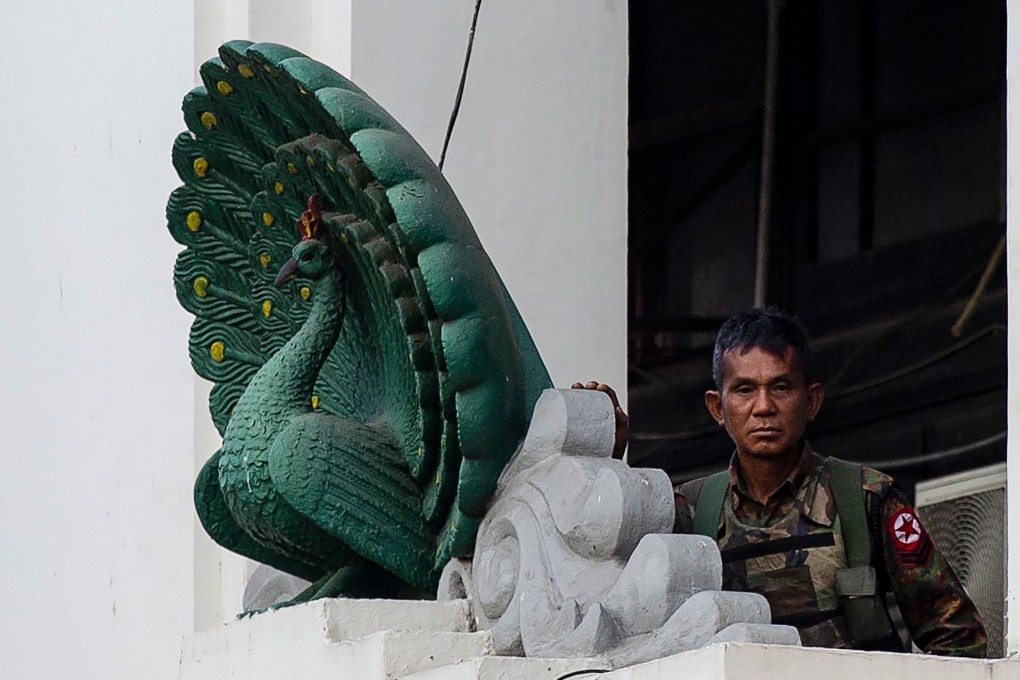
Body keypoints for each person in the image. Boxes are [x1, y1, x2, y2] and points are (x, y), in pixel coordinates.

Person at [665, 308, 987, 656]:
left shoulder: (866, 499)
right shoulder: (690, 513)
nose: (763, 407)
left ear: (812, 400)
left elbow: (958, 637)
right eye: (744, 390)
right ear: (717, 407)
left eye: (781, 387)